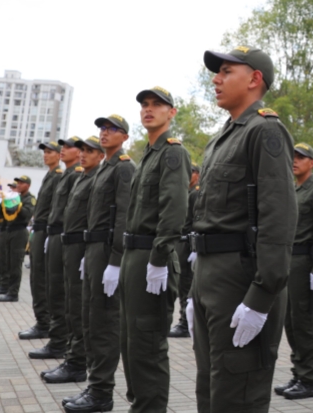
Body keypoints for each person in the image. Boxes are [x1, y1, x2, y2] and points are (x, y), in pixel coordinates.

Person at [189, 47, 296, 413]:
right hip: (210, 275)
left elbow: (278, 218)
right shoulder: (224, 136)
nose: (215, 79)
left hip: (240, 276)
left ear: (254, 79)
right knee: (211, 387)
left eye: (226, 71)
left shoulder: (265, 130)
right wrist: (195, 288)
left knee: (238, 392)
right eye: (216, 72)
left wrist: (262, 295)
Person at [119, 87, 189, 413]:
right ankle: (139, 405)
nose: (149, 110)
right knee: (131, 342)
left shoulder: (172, 153)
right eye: (145, 105)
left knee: (148, 344)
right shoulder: (148, 154)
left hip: (152, 257)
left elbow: (173, 208)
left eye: (157, 105)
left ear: (171, 112)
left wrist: (159, 258)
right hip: (134, 256)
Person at [61, 115, 135, 413]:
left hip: (107, 251)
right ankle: (94, 385)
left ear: (124, 137)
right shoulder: (104, 168)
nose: (104, 133)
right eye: (102, 129)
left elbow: (124, 216)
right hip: (93, 250)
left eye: (111, 129)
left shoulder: (124, 168)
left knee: (104, 324)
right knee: (90, 320)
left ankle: (102, 392)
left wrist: (116, 261)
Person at [43, 136, 101, 385]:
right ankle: (68, 352)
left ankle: (76, 361)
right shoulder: (80, 176)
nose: (65, 150)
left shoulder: (87, 175)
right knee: (63, 297)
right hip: (67, 240)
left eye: (70, 147)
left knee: (77, 305)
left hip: (81, 244)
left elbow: (94, 217)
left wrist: (89, 251)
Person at [274, 142, 313, 401]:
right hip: (289, 262)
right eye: (293, 156)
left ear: (312, 163)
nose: (295, 160)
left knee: (305, 322)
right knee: (291, 322)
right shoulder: (293, 190)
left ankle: (309, 379)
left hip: (306, 263)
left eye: (301, 157)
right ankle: (299, 373)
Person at [30, 136, 82, 361]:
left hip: (62, 236)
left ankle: (60, 341)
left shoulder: (74, 175)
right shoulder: (61, 175)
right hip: (50, 233)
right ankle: (54, 335)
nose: (62, 150)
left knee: (59, 290)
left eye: (68, 147)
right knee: (48, 285)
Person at [19, 140, 62, 340]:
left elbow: (56, 207)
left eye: (50, 152)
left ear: (59, 155)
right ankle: (41, 321)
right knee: (36, 278)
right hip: (40, 230)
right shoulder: (49, 175)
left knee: (43, 280)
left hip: (47, 231)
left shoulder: (58, 177)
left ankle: (45, 324)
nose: (46, 155)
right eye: (44, 152)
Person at [169, 163, 201, 338]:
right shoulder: (186, 192)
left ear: (197, 175)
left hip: (188, 244)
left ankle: (185, 322)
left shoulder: (195, 193)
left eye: (191, 172)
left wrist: (194, 248)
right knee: (181, 283)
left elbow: (197, 221)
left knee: (185, 284)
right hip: (181, 243)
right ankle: (184, 320)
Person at [0, 175, 35, 302]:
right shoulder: (13, 197)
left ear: (28, 185)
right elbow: (0, 213)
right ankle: (6, 287)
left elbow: (26, 213)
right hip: (8, 230)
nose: (18, 185)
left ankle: (13, 293)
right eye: (17, 183)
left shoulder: (30, 199)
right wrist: (3, 202)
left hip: (19, 232)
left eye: (21, 183)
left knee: (15, 263)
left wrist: (17, 205)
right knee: (6, 261)